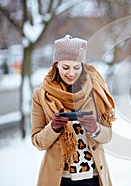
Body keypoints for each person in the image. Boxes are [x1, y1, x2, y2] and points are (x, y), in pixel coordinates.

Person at [31, 35, 115, 186]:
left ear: (82, 65)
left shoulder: (95, 89)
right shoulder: (41, 94)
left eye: (76, 67)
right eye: (65, 67)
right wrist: (53, 127)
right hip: (60, 179)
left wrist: (96, 129)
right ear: (56, 65)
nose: (71, 73)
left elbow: (107, 135)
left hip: (94, 177)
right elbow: (38, 142)